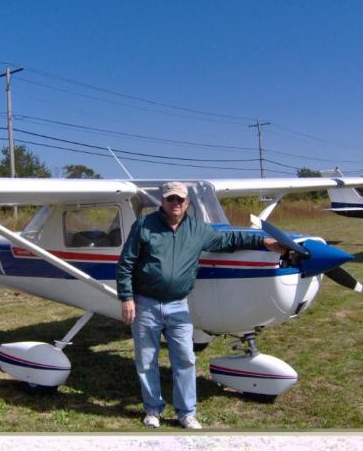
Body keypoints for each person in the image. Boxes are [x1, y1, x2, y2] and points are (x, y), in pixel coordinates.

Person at [116, 181, 284, 429]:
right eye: (171, 199)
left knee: (185, 359)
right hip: (146, 304)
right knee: (146, 360)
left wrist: (265, 243)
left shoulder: (197, 229)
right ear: (162, 201)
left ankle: (186, 413)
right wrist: (127, 298)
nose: (176, 203)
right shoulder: (144, 226)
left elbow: (229, 239)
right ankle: (153, 409)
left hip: (178, 306)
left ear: (188, 202)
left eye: (180, 199)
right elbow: (125, 263)